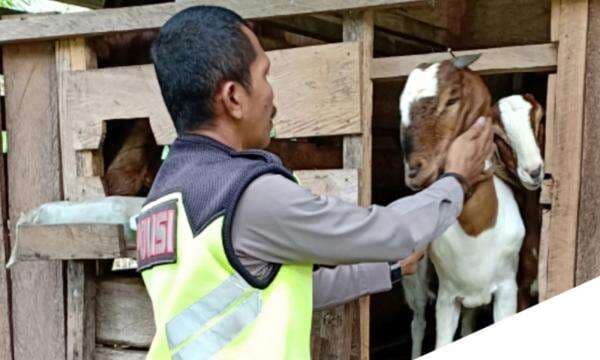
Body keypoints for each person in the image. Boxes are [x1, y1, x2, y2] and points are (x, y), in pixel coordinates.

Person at [136, 5, 494, 359]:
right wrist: (457, 179)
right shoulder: (246, 194)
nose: (271, 94)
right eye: (265, 75)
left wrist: (388, 270)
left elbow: (270, 291)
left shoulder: (163, 195)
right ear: (233, 98)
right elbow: (388, 231)